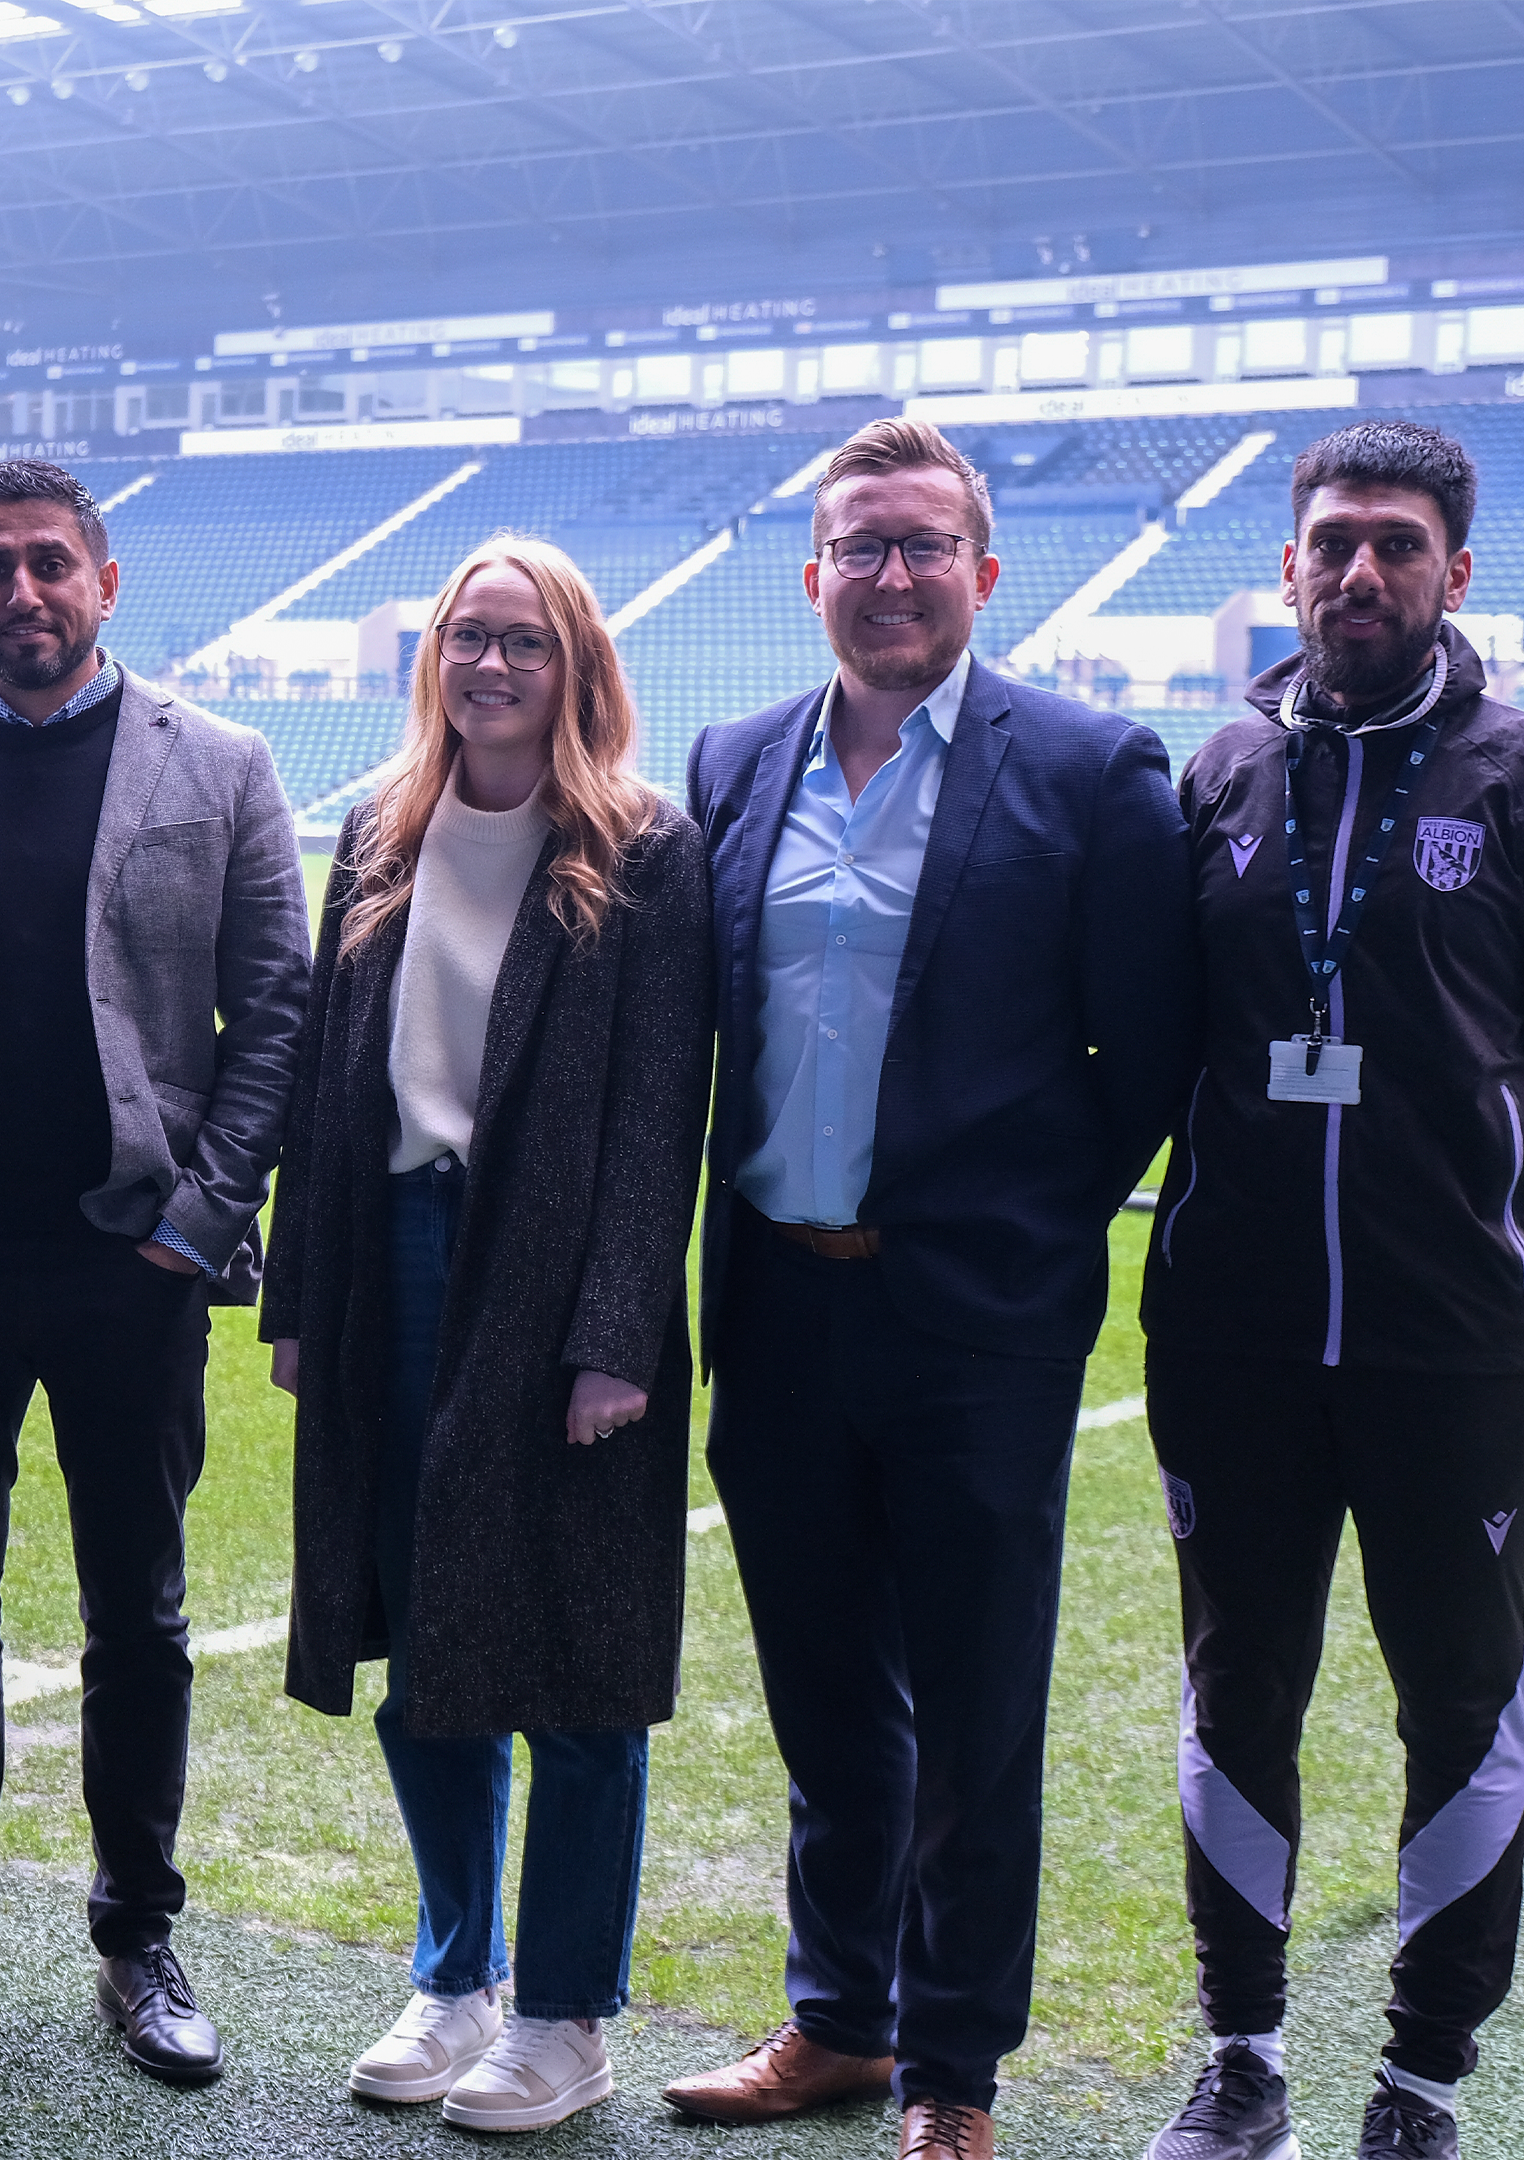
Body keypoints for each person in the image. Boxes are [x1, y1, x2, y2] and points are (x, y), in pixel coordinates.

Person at [665, 417, 1198, 2160]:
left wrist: (1023, 1227)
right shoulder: (735, 762)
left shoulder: (1090, 768)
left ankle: (954, 2075)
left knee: (977, 1705)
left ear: (980, 567)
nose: (890, 577)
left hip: (971, 1319)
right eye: (858, 549)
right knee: (826, 1691)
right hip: (778, 1307)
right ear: (811, 575)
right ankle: (840, 2019)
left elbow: (1147, 1057)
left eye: (921, 546)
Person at [0, 459, 308, 2083]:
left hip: (128, 1265)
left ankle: (136, 1936)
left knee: (135, 1619)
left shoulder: (220, 768)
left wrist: (197, 1227)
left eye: (48, 567)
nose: (22, 595)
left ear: (105, 580)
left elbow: (276, 1015)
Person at [260, 537, 712, 2132]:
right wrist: (302, 1301)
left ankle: (568, 2016)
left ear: (575, 661)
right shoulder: (381, 836)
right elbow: (329, 1090)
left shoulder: (642, 850)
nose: (493, 665)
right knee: (423, 1640)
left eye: (524, 640)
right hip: (392, 1258)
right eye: (469, 637)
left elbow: (663, 1117)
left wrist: (617, 1339)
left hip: (555, 1279)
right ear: (435, 659)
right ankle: (456, 1978)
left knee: (579, 1661)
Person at [1138, 421, 1516, 2160]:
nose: (1361, 571)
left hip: (1463, 1344)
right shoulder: (1215, 777)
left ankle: (1423, 2080)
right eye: (1334, 542)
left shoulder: (1512, 775)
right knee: (1240, 1690)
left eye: (1399, 544)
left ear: (1455, 569)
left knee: (1470, 1696)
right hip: (1232, 1335)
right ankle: (1243, 2060)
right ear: (1289, 567)